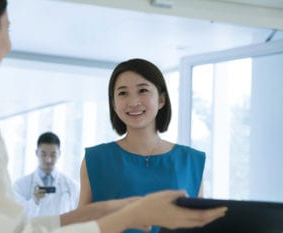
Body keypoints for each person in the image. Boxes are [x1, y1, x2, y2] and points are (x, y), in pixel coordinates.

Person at [0, 1, 227, 232]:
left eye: (143, 91)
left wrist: (90, 215)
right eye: (9, 29)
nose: (9, 45)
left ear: (162, 98)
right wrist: (129, 217)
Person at [78, 58, 207, 233]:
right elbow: (80, 227)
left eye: (143, 90)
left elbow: (199, 226)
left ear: (161, 100)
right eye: (123, 93)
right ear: (114, 104)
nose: (133, 102)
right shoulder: (95, 160)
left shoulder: (191, 161)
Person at [13, 132, 79, 217]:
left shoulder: (72, 186)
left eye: (53, 155)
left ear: (59, 154)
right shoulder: (20, 185)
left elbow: (78, 217)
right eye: (43, 154)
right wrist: (34, 201)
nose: (48, 160)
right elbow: (17, 216)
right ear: (37, 153)